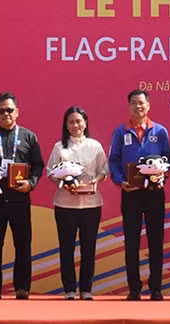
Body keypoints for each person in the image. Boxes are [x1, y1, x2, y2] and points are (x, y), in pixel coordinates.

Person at [0, 92, 43, 300]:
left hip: (20, 199)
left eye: (9, 110)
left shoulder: (29, 137)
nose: (6, 114)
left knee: (22, 244)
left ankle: (22, 287)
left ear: (17, 112)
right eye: (1, 110)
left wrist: (31, 183)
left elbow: (38, 165)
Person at [108, 90, 170, 301]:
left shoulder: (160, 131)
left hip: (155, 192)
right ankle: (134, 288)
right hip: (131, 192)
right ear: (129, 107)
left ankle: (156, 288)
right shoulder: (120, 132)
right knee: (132, 241)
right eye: (134, 103)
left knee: (156, 240)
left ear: (148, 106)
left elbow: (168, 158)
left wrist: (162, 176)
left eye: (141, 103)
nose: (138, 107)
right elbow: (113, 161)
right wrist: (121, 181)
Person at [48, 106, 108, 300]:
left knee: (88, 248)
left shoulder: (95, 146)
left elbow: (104, 170)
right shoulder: (59, 147)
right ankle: (69, 289)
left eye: (79, 121)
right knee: (66, 248)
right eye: (71, 122)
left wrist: (95, 181)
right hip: (65, 205)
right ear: (66, 125)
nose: (75, 125)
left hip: (91, 205)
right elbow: (50, 172)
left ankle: (86, 289)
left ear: (85, 123)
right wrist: (62, 182)